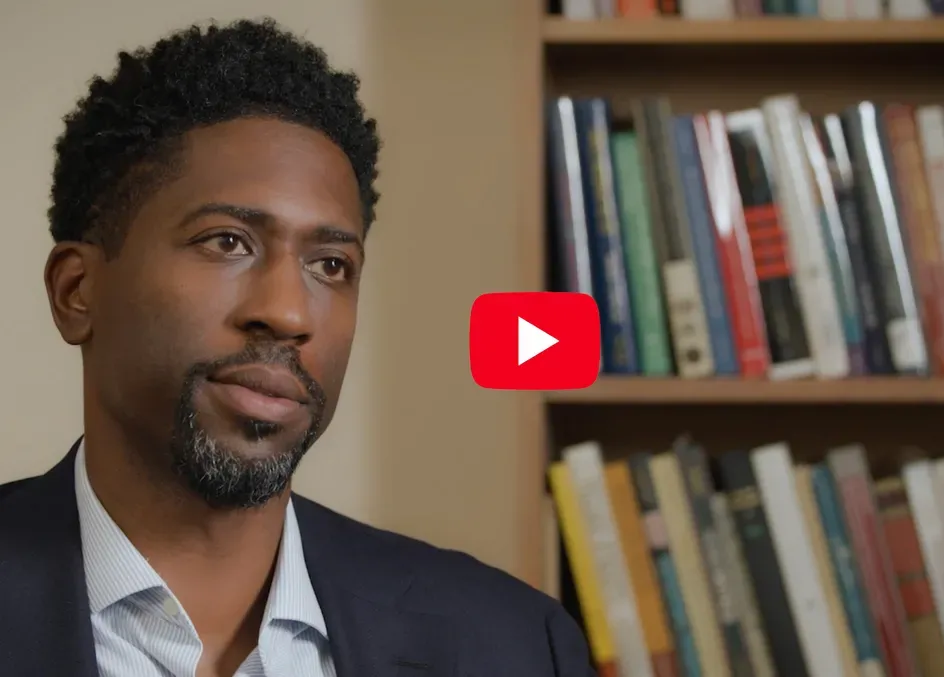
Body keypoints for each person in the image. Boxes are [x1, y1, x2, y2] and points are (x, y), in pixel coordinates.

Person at [0, 17, 595, 677]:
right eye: (227, 241)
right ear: (77, 291)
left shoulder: (511, 644)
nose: (286, 313)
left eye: (330, 265)